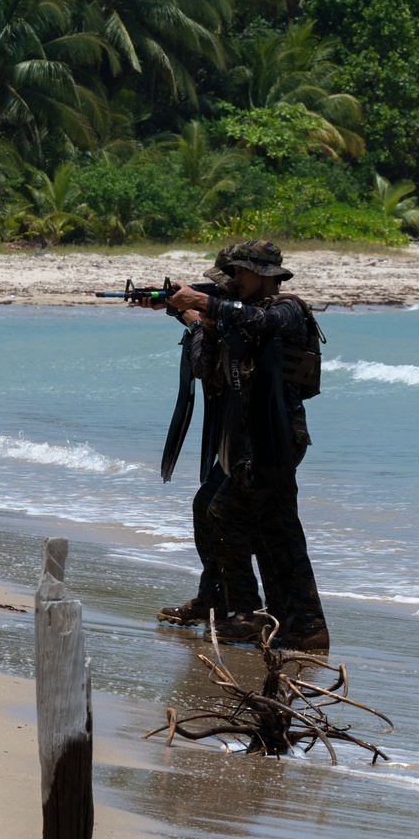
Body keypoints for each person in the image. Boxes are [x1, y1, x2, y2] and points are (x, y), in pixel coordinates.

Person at [158, 240, 329, 653]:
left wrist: (206, 306)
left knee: (226, 514)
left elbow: (259, 322)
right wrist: (199, 322)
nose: (232, 283)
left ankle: (247, 613)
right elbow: (206, 369)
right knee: (274, 530)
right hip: (246, 439)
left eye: (238, 274)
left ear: (261, 274)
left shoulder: (287, 309)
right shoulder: (236, 316)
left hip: (274, 439)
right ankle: (298, 623)